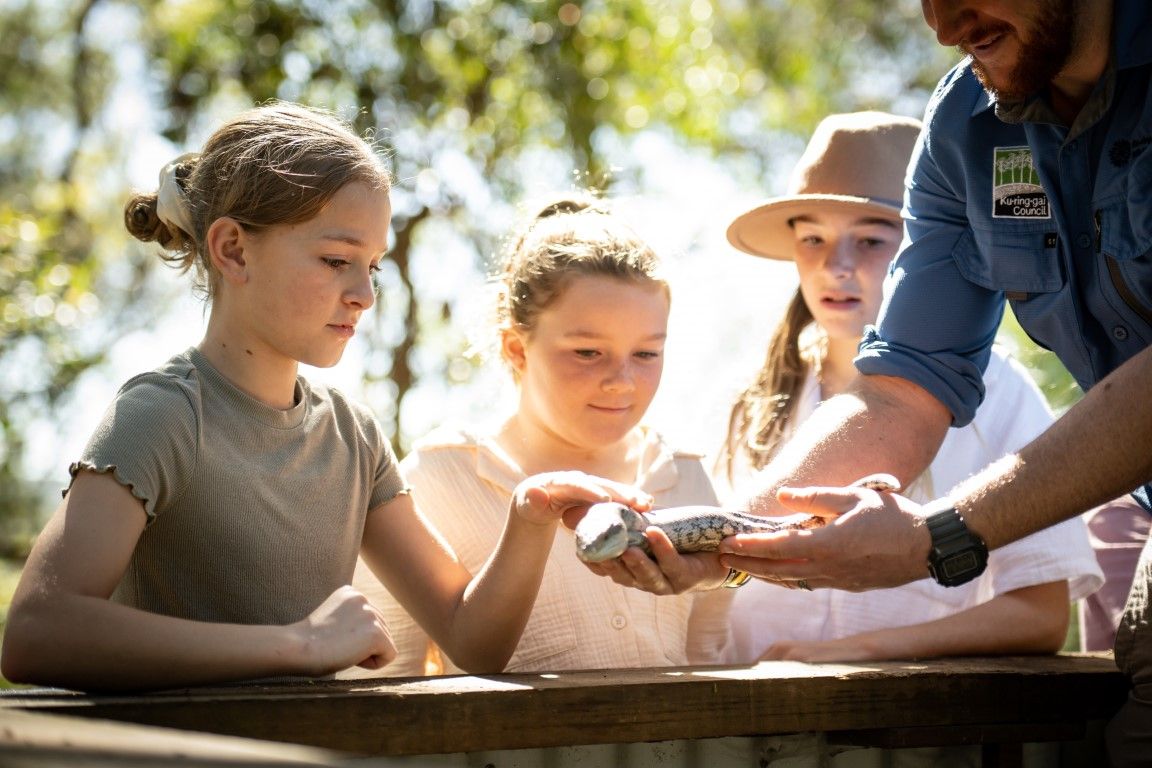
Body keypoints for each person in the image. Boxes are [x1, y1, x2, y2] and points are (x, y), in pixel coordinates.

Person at [0, 103, 647, 693]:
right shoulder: (161, 416)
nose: (364, 294)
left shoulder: (353, 436)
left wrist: (529, 517)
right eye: (337, 259)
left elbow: (472, 640)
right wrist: (299, 645)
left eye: (374, 266)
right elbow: (36, 634)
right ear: (232, 249)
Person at [694, 2, 1152, 764]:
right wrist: (720, 543)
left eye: (870, 239)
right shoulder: (967, 126)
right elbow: (906, 386)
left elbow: (1036, 610)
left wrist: (932, 539)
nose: (942, 25)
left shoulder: (1009, 398)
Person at [716, 111, 1102, 666]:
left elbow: (1040, 614)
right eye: (813, 239)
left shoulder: (995, 390)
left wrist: (855, 653)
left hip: (916, 739)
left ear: (924, 244)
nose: (835, 265)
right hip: (743, 735)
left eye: (871, 240)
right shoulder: (752, 398)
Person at [344, 194, 733, 677]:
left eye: (647, 354)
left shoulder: (687, 475)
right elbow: (385, 674)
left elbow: (712, 658)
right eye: (588, 352)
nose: (623, 381)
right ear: (517, 348)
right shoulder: (441, 476)